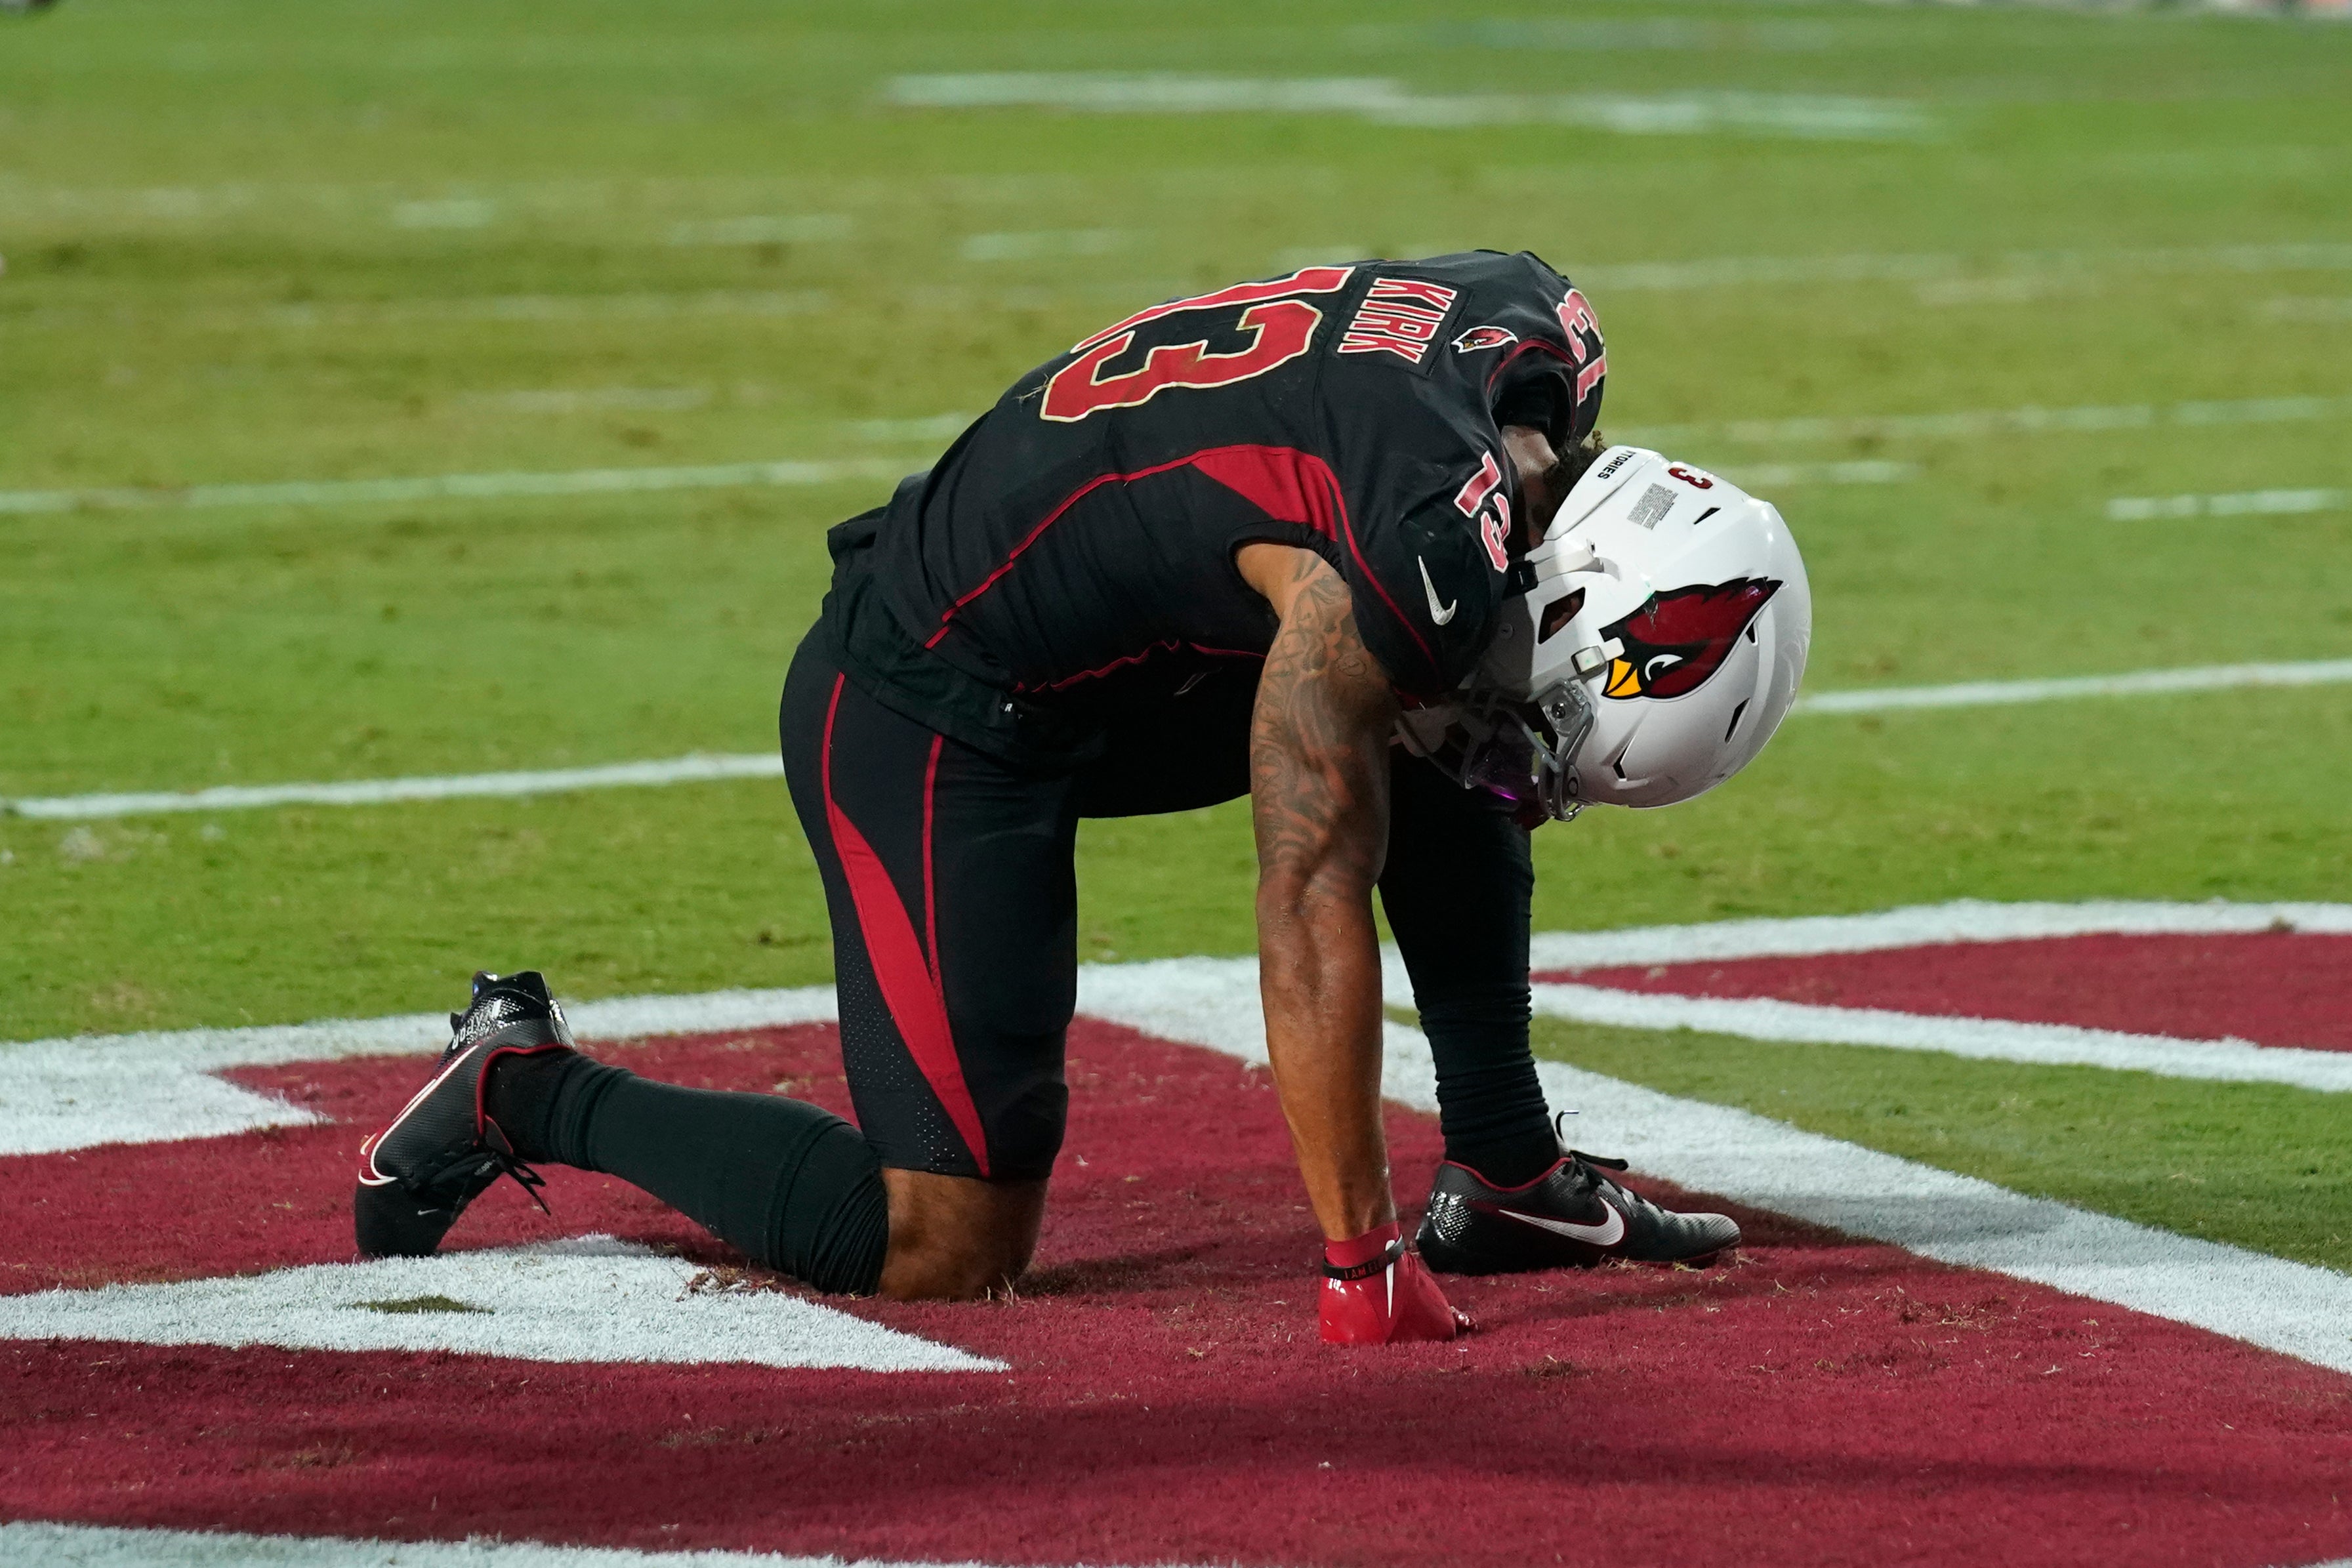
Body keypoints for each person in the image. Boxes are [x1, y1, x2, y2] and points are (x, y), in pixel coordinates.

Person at [354, 251, 1811, 1345]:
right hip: (930, 692)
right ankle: (522, 1087)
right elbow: (1303, 887)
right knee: (944, 1239)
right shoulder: (1402, 550)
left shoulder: (1531, 351)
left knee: (1437, 711)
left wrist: (1473, 696)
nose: (1533, 782)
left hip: (1122, 637)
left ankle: (1504, 1167)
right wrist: (1357, 1264)